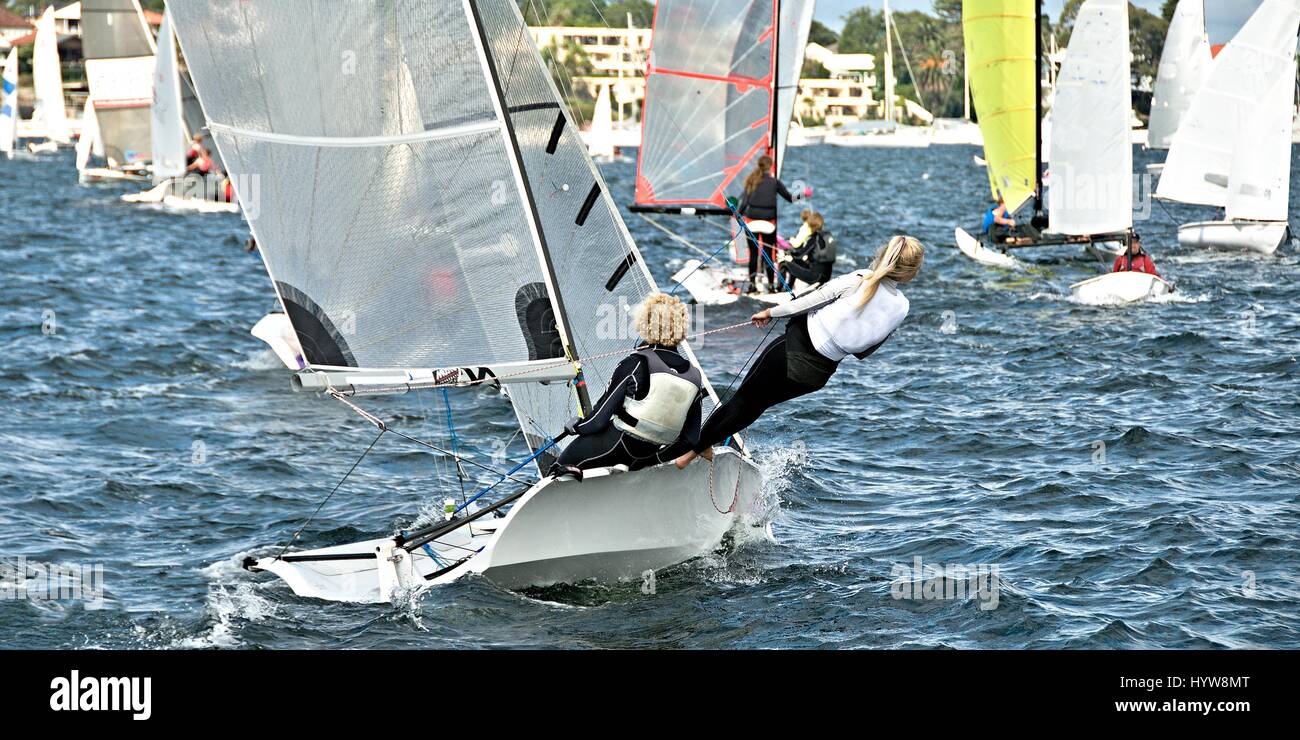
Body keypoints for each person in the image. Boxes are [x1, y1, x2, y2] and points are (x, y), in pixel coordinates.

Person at [672, 236, 925, 469]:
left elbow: (810, 301)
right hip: (815, 375)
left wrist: (769, 312)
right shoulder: (902, 307)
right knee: (755, 407)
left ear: (883, 254)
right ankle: (703, 446)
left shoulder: (858, 279)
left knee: (742, 401)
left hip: (791, 351)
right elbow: (864, 352)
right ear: (911, 272)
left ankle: (686, 453)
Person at [551, 293, 705, 477]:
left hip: (615, 444)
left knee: (558, 468)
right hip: (647, 455)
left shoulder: (636, 363)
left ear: (645, 324)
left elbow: (597, 421)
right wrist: (654, 460)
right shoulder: (694, 376)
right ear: (682, 328)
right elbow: (690, 439)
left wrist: (576, 426)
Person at [737, 155, 792, 293]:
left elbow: (743, 204)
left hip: (752, 223)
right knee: (768, 254)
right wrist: (803, 194)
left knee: (754, 255)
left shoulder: (752, 181)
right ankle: (772, 286)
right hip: (769, 224)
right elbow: (790, 198)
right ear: (771, 166)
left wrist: (738, 217)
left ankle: (752, 285)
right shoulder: (775, 182)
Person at [778, 209, 836, 288]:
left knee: (784, 263)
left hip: (815, 276)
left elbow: (800, 255)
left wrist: (788, 254)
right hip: (827, 275)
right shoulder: (827, 235)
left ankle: (780, 289)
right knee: (795, 262)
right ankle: (789, 286)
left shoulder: (814, 238)